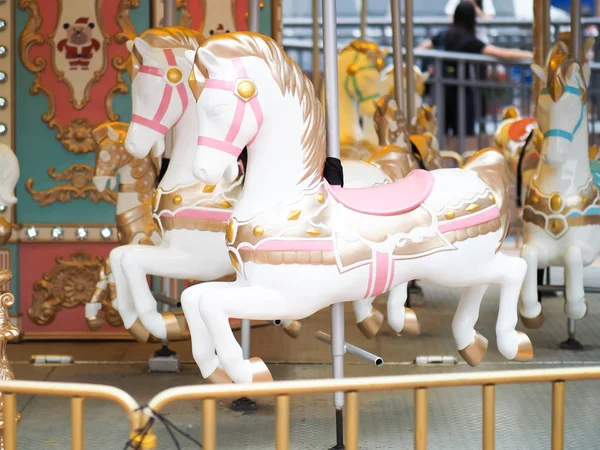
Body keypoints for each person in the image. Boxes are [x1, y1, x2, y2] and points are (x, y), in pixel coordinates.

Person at [418, 2, 532, 138]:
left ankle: (446, 158)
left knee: (441, 133)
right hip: (463, 95)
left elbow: (422, 47)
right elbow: (502, 53)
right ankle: (458, 158)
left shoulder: (443, 35)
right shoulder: (470, 40)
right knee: (464, 135)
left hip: (441, 93)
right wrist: (531, 55)